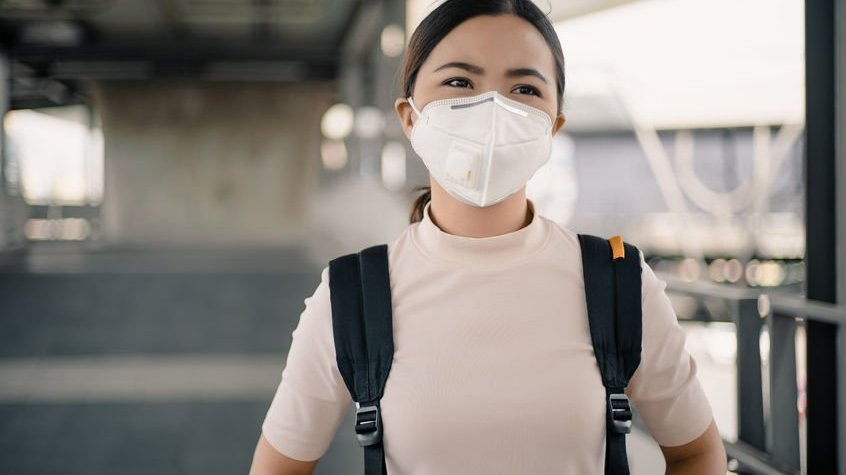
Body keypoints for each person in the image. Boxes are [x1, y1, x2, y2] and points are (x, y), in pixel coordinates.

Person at [249, 1, 727, 473]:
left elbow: (696, 453)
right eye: (460, 82)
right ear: (410, 117)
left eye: (524, 88)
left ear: (553, 126)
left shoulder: (618, 283)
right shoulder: (353, 295)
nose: (494, 109)